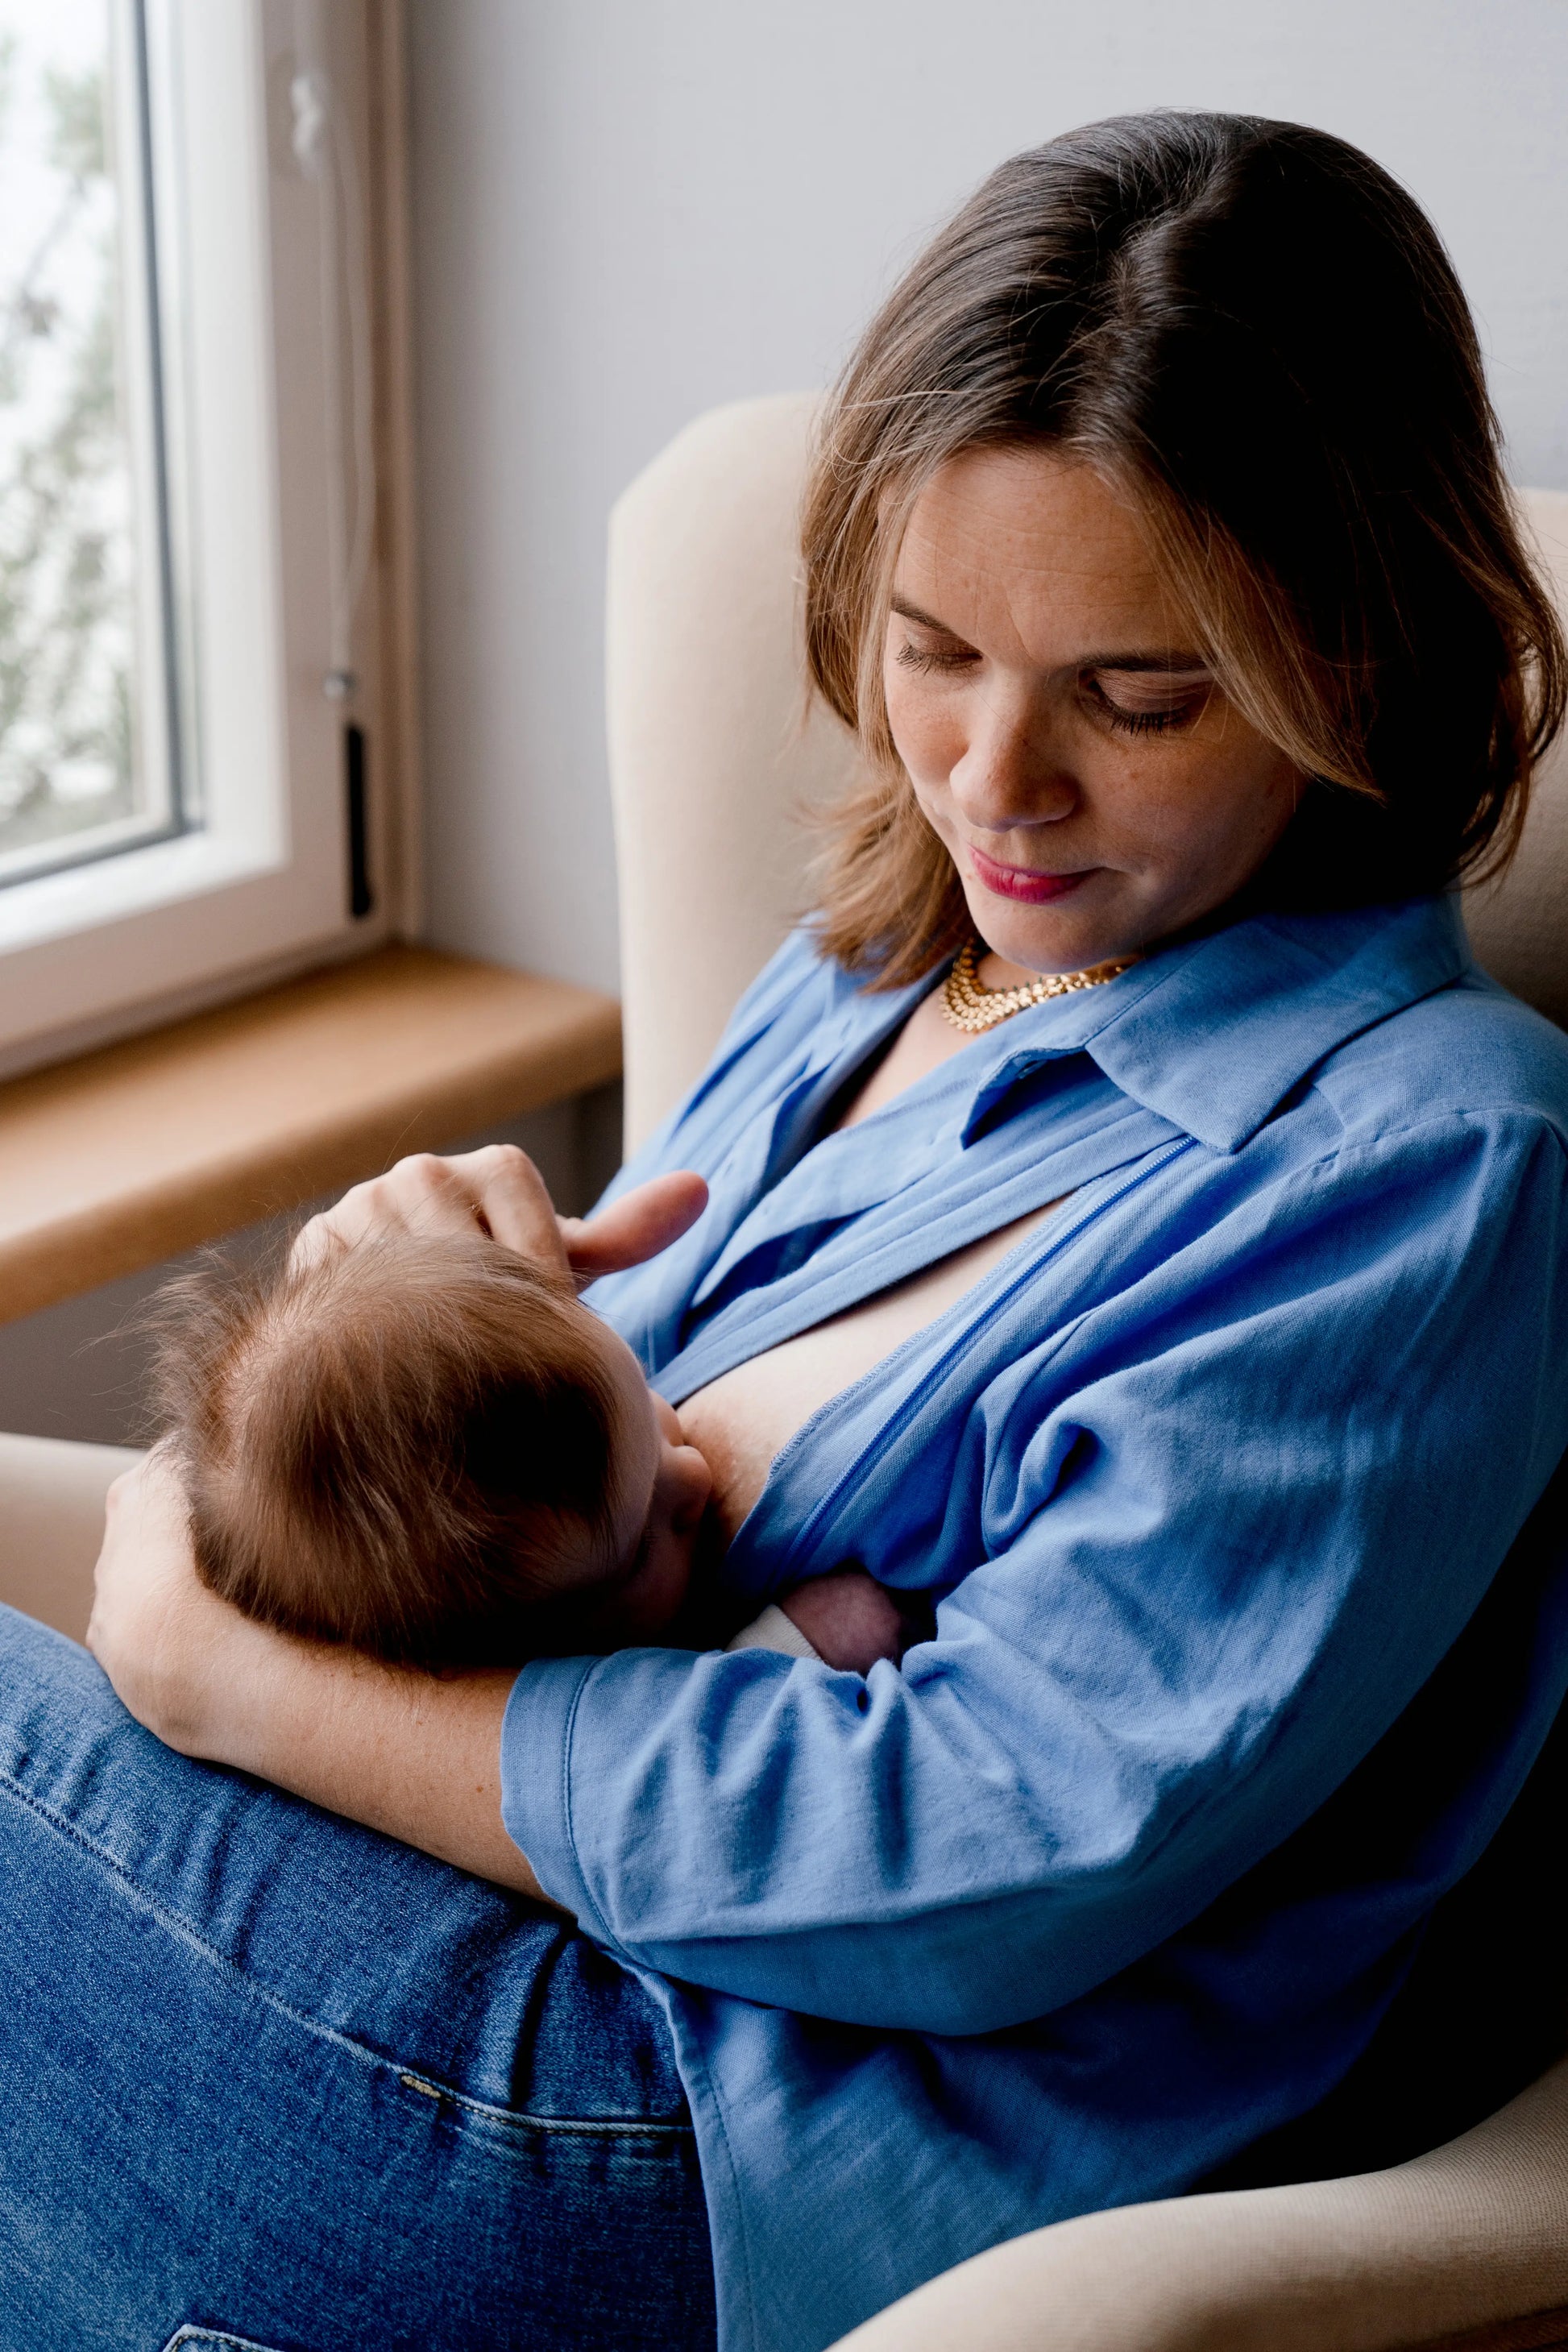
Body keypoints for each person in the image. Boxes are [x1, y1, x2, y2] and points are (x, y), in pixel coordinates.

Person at [7, 109, 1568, 2352]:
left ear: (1358, 663)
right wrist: (392, 1343)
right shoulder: (861, 974)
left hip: (690, 2133)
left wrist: (217, 1664)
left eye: (1138, 696)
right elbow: (547, 1529)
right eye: (933, 649)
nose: (993, 779)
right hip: (463, 1950)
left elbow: (980, 1846)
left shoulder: (1427, 1171)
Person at [147, 1210, 913, 1672]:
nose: (692, 1476)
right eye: (643, 1539)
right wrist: (809, 1638)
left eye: (645, 1398)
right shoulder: (583, 1702)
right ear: (489, 1663)